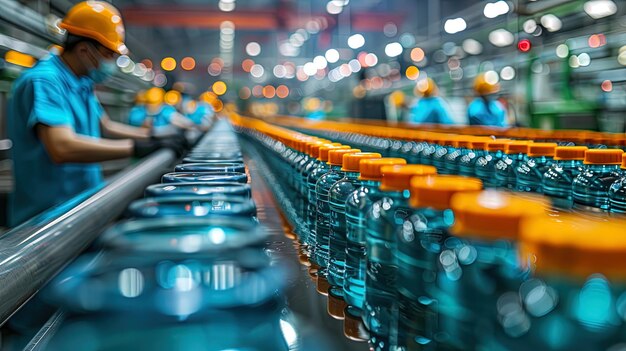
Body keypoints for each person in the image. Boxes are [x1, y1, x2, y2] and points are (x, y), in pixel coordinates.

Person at [7, 1, 185, 226]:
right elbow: (62, 147)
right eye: (109, 55)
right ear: (84, 50)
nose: (113, 63)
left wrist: (154, 136)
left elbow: (105, 126)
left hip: (82, 207)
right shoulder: (46, 80)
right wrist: (135, 148)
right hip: (47, 220)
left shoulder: (80, 80)